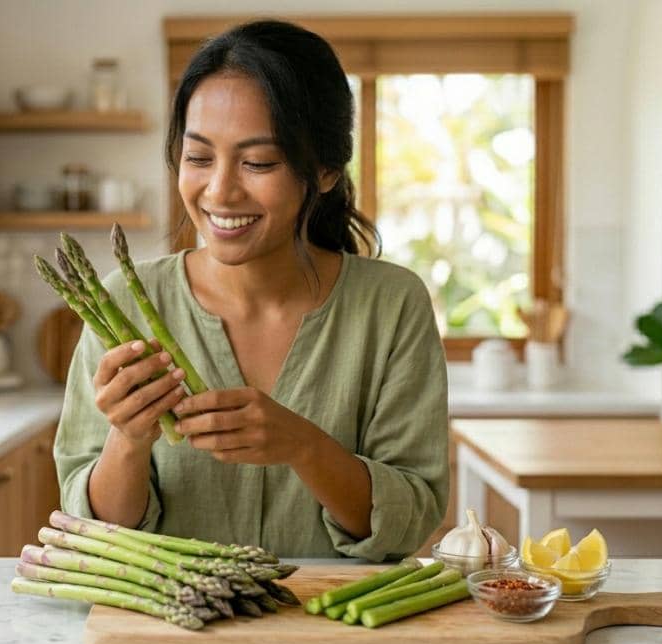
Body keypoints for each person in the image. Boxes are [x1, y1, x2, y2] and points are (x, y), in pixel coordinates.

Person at [55, 20, 448, 561]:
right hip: (172, 633)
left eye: (258, 162)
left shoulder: (392, 305)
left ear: (327, 169)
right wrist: (128, 438)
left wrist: (303, 447)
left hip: (332, 632)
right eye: (198, 158)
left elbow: (410, 521)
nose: (220, 191)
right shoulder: (120, 301)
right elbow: (98, 535)